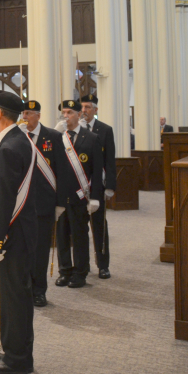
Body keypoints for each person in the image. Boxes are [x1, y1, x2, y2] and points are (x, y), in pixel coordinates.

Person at [0, 90, 36, 374]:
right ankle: (17, 353)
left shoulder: (11, 147)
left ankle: (16, 359)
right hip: (19, 233)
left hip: (10, 235)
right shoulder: (16, 141)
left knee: (13, 299)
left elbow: (3, 199)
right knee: (17, 297)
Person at [20, 101, 69, 308]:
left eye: (29, 113)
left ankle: (39, 291)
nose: (24, 116)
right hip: (21, 204)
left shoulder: (53, 137)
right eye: (23, 112)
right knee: (22, 250)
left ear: (38, 116)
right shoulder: (17, 137)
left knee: (40, 251)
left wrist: (60, 203)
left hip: (44, 204)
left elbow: (63, 171)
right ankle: (23, 289)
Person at [55, 100, 104, 289]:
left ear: (78, 115)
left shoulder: (91, 138)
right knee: (61, 235)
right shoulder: (58, 137)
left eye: (69, 112)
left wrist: (96, 197)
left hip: (80, 195)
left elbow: (97, 170)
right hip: (61, 195)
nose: (65, 116)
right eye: (63, 113)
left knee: (80, 235)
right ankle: (64, 270)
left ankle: (80, 272)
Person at [79, 94, 115, 279]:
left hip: (97, 186)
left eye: (87, 107)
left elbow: (109, 160)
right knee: (80, 227)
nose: (84, 110)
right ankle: (83, 265)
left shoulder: (105, 130)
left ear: (95, 110)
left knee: (99, 226)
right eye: (82, 107)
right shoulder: (73, 129)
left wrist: (110, 185)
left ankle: (103, 265)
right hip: (78, 186)